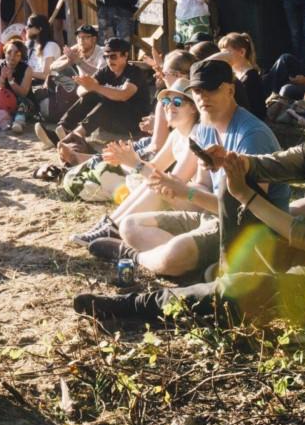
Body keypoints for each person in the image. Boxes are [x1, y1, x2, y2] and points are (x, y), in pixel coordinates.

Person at [75, 73, 305, 333]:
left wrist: (245, 195)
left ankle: (135, 308)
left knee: (238, 289)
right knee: (234, 193)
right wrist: (228, 161)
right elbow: (265, 165)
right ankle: (220, 276)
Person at [90, 59, 289, 280]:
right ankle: (199, 267)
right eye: (197, 91)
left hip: (251, 231)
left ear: (230, 90)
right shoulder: (205, 129)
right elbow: (203, 185)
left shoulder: (252, 137)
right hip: (214, 216)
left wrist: (185, 192)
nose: (203, 97)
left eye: (211, 89)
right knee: (130, 225)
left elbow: (248, 213)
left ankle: (135, 256)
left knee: (176, 252)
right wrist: (175, 190)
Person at [70, 78, 201, 246]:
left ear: (193, 108)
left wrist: (135, 163)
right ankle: (111, 223)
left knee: (156, 186)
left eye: (177, 102)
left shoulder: (196, 137)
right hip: (186, 197)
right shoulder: (177, 135)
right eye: (166, 101)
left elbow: (173, 184)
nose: (169, 106)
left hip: (200, 204)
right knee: (149, 183)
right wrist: (129, 161)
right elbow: (155, 167)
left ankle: (112, 229)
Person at [35, 37, 149, 151]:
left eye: (113, 56)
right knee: (91, 95)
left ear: (125, 55)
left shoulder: (135, 72)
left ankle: (76, 135)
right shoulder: (106, 71)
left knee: (107, 102)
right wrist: (87, 87)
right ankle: (63, 128)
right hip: (113, 120)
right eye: (106, 57)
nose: (109, 60)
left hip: (135, 122)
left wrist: (95, 87)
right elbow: (80, 91)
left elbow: (124, 95)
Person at [217, 33, 267, 120]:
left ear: (242, 52)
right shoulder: (231, 73)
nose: (222, 56)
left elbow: (258, 109)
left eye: (226, 53)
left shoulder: (251, 76)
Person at [24, 14, 61, 85]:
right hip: (33, 83)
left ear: (39, 29)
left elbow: (46, 75)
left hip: (46, 85)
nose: (26, 28)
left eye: (29, 26)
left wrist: (25, 73)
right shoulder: (31, 45)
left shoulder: (50, 46)